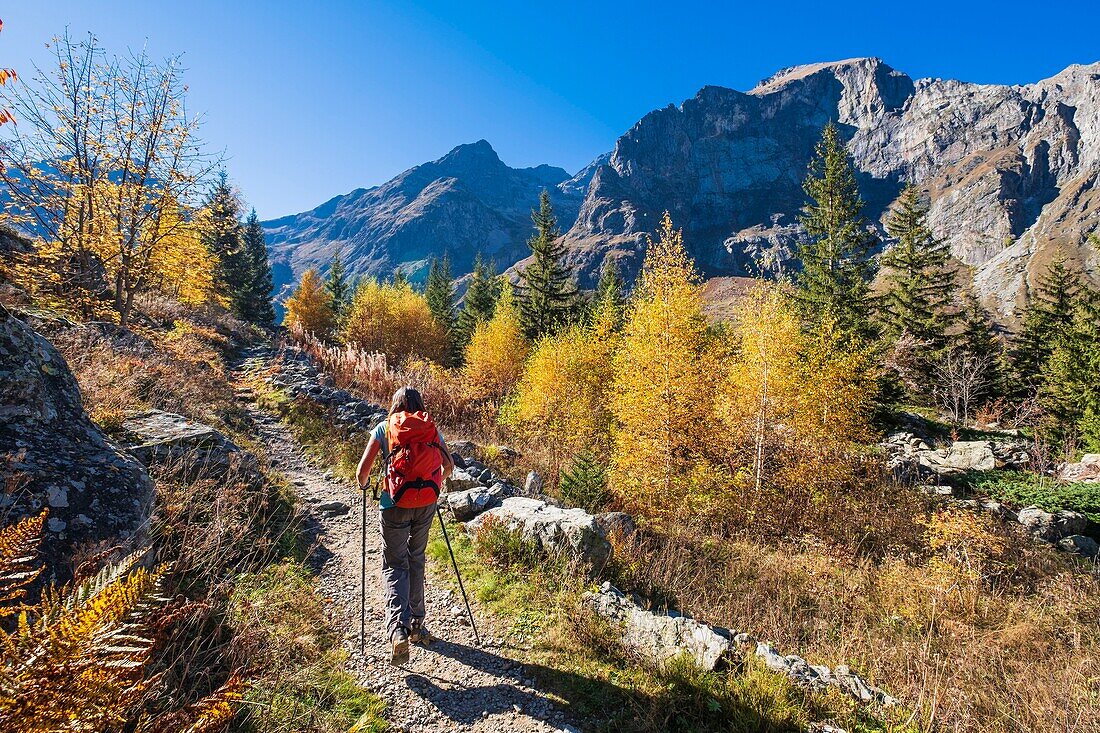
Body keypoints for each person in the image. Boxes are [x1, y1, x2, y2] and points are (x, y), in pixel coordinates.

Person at [356, 386, 454, 665]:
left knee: (394, 563)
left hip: (393, 505)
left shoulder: (384, 428)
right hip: (426, 504)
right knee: (416, 559)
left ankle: (398, 629)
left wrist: (366, 486)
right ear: (419, 404)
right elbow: (449, 466)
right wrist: (434, 483)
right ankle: (418, 625)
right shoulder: (430, 428)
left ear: (394, 405)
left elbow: (362, 472)